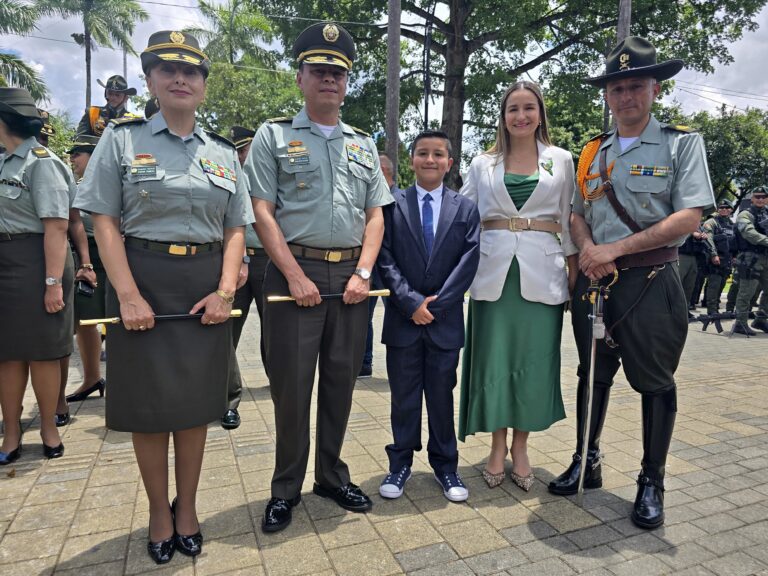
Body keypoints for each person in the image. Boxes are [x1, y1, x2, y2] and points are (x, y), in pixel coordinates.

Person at [74, 31, 253, 563]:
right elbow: (101, 218)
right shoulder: (122, 139)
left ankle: (189, 507)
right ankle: (158, 511)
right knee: (149, 409)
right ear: (150, 81)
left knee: (195, 407)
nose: (180, 78)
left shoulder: (221, 152)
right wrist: (125, 295)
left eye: (191, 71)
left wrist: (224, 290)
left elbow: (236, 229)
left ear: (202, 85)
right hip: (140, 277)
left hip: (204, 287)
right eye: (167, 69)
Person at [549, 36, 715, 530]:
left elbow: (689, 215)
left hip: (652, 279)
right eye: (617, 88)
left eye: (635, 86)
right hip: (597, 285)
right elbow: (577, 214)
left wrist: (613, 250)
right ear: (607, 95)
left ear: (655, 90)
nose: (626, 97)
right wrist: (588, 251)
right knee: (592, 374)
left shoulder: (682, 143)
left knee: (655, 382)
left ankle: (651, 479)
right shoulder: (592, 151)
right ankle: (587, 458)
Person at [246, 21, 393, 533]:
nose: (328, 79)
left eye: (337, 72)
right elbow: (262, 211)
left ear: (346, 82)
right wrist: (292, 275)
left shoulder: (361, 143)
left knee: (340, 383)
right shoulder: (273, 135)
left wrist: (364, 272)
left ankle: (330, 475)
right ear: (301, 78)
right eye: (319, 70)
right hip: (296, 274)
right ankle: (285, 488)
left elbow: (376, 215)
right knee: (291, 387)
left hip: (352, 279)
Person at [458, 80, 578, 492]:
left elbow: (570, 219)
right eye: (513, 109)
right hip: (492, 276)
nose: (521, 116)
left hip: (543, 275)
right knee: (494, 361)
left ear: (540, 113)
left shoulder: (562, 161)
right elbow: (463, 220)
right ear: (503, 116)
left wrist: (576, 268)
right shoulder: (482, 163)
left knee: (532, 362)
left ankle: (522, 447)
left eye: (529, 108)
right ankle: (496, 445)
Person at [377, 130, 480, 501]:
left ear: (450, 163)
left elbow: (469, 261)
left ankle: (446, 467)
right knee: (403, 397)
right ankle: (400, 463)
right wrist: (410, 303)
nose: (431, 160)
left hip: (444, 321)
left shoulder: (465, 208)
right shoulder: (391, 204)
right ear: (412, 159)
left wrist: (434, 307)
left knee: (440, 395)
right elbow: (384, 258)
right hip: (403, 321)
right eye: (423, 153)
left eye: (439, 154)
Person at [0, 88, 73, 464]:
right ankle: (11, 432)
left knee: (43, 353)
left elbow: (57, 229)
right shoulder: (3, 161)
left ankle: (48, 427)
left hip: (39, 261)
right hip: (6, 262)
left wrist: (52, 283)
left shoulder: (41, 162)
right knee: (8, 356)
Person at [222, 124, 266, 430]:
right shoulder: (224, 174)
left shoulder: (270, 173)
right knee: (225, 333)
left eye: (245, 149)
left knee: (279, 334)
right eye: (236, 150)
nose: (241, 156)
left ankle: (285, 392)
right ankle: (226, 400)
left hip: (269, 261)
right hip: (234, 261)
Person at [60, 135, 106, 410]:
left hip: (107, 254)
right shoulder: (77, 185)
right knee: (83, 321)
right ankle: (92, 378)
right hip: (83, 254)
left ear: (93, 155)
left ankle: (130, 383)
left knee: (117, 318)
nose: (73, 159)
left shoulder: (113, 181)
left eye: (78, 153)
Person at [358, 153, 397, 379]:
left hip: (392, 269)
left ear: (382, 170)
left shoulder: (400, 200)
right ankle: (364, 364)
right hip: (369, 267)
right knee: (363, 316)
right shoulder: (369, 199)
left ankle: (399, 363)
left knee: (398, 315)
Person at [732, 187, 768, 335]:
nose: (760, 199)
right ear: (752, 199)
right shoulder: (745, 214)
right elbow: (748, 233)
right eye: (757, 196)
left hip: (765, 257)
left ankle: (761, 319)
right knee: (747, 291)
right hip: (750, 258)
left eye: (764, 197)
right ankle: (740, 323)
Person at [701, 199, 736, 317]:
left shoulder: (732, 224)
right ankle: (712, 310)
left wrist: (734, 257)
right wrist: (714, 254)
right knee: (714, 285)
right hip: (715, 259)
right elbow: (708, 238)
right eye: (721, 207)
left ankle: (716, 307)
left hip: (727, 260)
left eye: (727, 208)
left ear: (731, 210)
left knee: (721, 285)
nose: (724, 210)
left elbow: (735, 243)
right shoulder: (712, 222)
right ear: (717, 209)